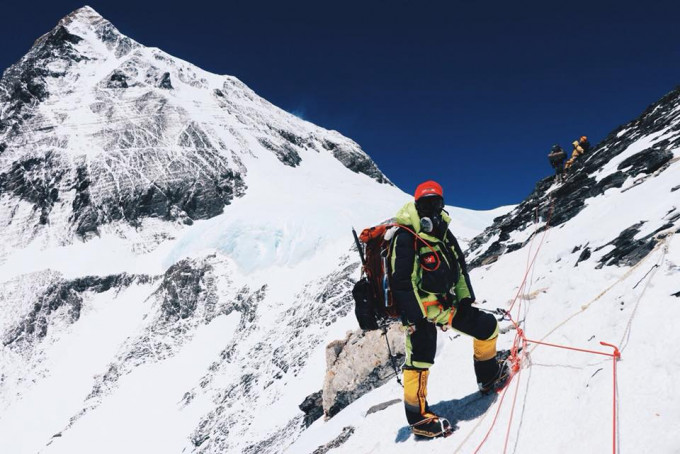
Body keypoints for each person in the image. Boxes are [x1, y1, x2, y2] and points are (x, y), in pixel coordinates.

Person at [390, 180, 509, 438]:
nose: (431, 208)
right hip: (421, 311)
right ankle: (419, 419)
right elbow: (401, 281)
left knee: (487, 327)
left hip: (446, 305)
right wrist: (415, 318)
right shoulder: (405, 234)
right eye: (425, 203)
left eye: (436, 202)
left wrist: (465, 299)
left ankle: (488, 378)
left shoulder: (443, 231)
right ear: (416, 205)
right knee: (420, 360)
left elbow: (459, 266)